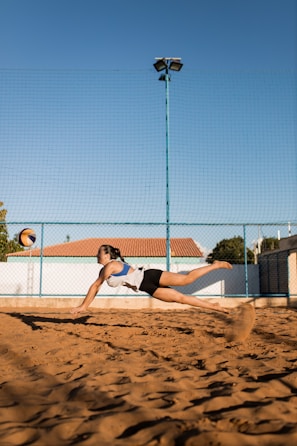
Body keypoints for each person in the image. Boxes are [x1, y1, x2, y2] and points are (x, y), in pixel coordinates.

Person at [70, 244, 233, 315]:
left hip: (150, 276)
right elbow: (104, 283)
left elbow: (95, 286)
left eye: (99, 252)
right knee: (181, 299)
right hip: (147, 287)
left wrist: (83, 306)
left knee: (186, 280)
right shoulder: (106, 269)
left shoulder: (110, 266)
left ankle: (215, 265)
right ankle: (215, 307)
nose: (96, 255)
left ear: (106, 255)